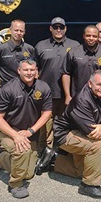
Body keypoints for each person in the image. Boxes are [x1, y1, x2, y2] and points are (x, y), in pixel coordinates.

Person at [36, 70, 101, 199]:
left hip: (83, 131)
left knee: (81, 171)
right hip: (66, 134)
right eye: (98, 84)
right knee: (98, 145)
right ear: (90, 84)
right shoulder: (82, 99)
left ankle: (53, 160)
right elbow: (92, 133)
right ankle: (89, 185)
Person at [0, 59, 52, 199]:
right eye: (26, 70)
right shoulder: (6, 89)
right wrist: (15, 135)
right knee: (22, 150)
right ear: (19, 71)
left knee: (29, 173)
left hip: (29, 133)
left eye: (32, 70)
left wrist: (31, 130)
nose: (29, 73)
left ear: (37, 71)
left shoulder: (43, 87)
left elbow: (47, 112)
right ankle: (15, 184)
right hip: (8, 132)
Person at [35, 17, 79, 151]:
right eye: (55, 27)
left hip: (68, 95)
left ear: (65, 28)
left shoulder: (75, 45)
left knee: (66, 125)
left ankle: (62, 151)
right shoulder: (41, 45)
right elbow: (35, 69)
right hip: (47, 94)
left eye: (61, 27)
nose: (58, 30)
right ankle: (44, 152)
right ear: (50, 28)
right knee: (45, 126)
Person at [61, 25, 101, 105]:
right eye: (88, 35)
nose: (91, 38)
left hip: (99, 99)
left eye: (94, 36)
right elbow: (66, 74)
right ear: (83, 36)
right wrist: (67, 96)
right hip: (77, 98)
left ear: (98, 37)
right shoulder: (73, 52)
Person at [0, 19, 35, 87]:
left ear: (24, 32)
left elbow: (35, 69)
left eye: (21, 31)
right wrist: (0, 82)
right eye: (16, 30)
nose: (18, 33)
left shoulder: (30, 49)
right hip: (6, 88)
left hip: (25, 89)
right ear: (10, 30)